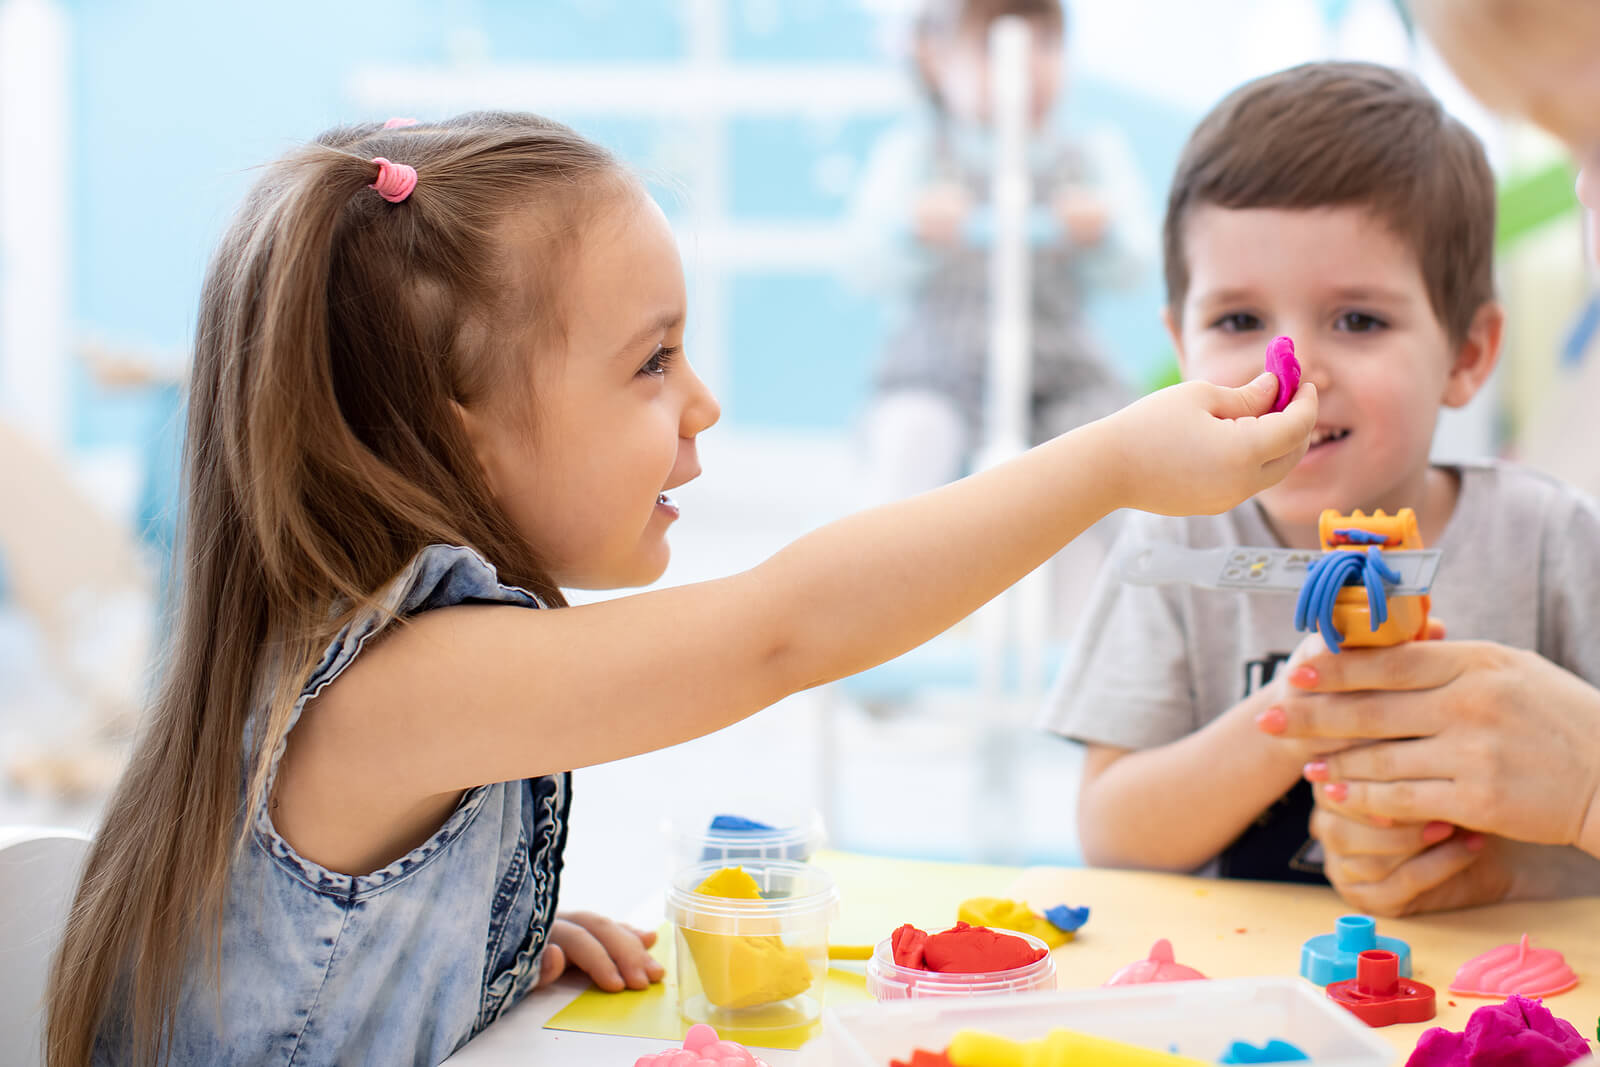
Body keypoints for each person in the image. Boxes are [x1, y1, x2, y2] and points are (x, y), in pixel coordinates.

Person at [44, 112, 1315, 1066]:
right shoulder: (396, 688)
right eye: (652, 361)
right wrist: (1108, 464)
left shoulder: (423, 663)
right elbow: (784, 630)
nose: (702, 402)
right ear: (458, 429)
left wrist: (472, 954)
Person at [1042, 62, 1600, 903]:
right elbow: (1113, 835)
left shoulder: (1550, 541)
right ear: (1183, 346)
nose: (1291, 373)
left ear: (1467, 354)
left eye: (1358, 320)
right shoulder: (1174, 541)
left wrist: (1507, 871)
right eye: (1239, 320)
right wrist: (1298, 709)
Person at [1265, 0, 1600, 916]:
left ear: (1468, 354)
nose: (1584, 194)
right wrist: (1518, 868)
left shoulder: (1553, 529)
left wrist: (1587, 783)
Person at [850, 0, 1151, 502]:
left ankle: (1094, 557)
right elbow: (864, 266)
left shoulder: (1088, 156)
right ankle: (892, 551)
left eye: (1047, 45)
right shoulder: (919, 153)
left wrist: (1102, 233)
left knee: (1102, 448)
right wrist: (913, 229)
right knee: (911, 434)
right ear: (938, 60)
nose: (1027, 67)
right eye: (993, 48)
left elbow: (1135, 270)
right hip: (937, 372)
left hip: (1062, 374)